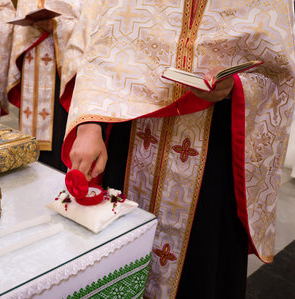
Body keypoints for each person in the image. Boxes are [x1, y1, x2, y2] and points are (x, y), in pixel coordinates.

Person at [61, 0, 295, 298]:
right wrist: (89, 123)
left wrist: (235, 86)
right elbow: (102, 50)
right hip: (131, 139)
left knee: (201, 275)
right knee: (118, 268)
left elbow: (279, 73)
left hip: (214, 155)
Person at [7, 0, 88, 172]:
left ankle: (56, 179)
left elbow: (87, 20)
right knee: (30, 135)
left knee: (58, 127)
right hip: (31, 61)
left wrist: (57, 26)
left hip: (62, 65)